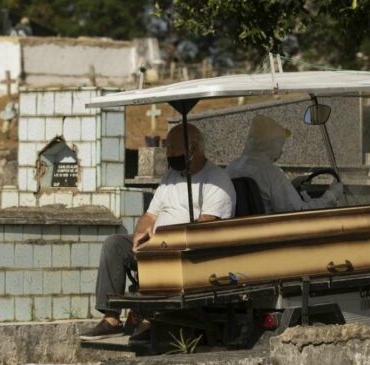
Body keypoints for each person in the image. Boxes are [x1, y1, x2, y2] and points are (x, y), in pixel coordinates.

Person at [79, 124, 236, 341]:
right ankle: (111, 317)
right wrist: (140, 234)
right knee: (114, 244)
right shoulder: (171, 177)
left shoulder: (217, 180)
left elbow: (206, 227)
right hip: (156, 244)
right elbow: (150, 215)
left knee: (161, 255)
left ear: (193, 149)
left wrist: (166, 239)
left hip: (187, 253)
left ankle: (147, 318)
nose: (168, 153)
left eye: (173, 148)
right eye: (167, 147)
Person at [227, 115, 343, 213]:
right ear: (271, 144)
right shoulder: (271, 173)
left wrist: (290, 185)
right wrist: (331, 196)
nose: (282, 151)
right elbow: (299, 212)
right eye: (281, 144)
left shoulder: (232, 167)